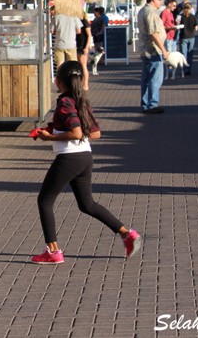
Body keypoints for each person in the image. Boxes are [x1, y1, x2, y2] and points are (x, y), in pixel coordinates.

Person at [30, 61, 142, 265]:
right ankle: (128, 234)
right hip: (84, 157)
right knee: (87, 204)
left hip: (69, 157)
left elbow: (76, 132)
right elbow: (95, 133)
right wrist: (54, 128)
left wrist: (50, 138)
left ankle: (53, 251)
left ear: (58, 81)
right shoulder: (80, 100)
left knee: (45, 201)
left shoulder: (64, 101)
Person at [137, 0, 169, 113]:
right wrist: (163, 50)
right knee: (155, 78)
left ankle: (146, 104)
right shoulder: (151, 12)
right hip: (153, 50)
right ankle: (152, 104)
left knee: (146, 78)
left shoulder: (142, 11)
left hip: (145, 49)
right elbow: (153, 33)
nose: (161, 2)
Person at [160, 0, 179, 79]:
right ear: (169, 5)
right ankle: (167, 74)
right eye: (174, 6)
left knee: (173, 57)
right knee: (168, 57)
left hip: (173, 37)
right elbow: (161, 26)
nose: (175, 7)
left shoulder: (171, 13)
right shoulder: (164, 13)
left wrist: (175, 24)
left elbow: (170, 24)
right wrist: (170, 28)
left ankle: (172, 74)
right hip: (167, 38)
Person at [178, 2, 198, 75]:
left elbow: (177, 24)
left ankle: (183, 69)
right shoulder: (193, 17)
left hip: (183, 37)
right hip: (191, 37)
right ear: (190, 9)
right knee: (190, 53)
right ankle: (188, 69)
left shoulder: (180, 16)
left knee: (183, 54)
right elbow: (196, 28)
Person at [76, 11, 92, 90]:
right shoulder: (77, 22)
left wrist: (87, 47)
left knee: (83, 65)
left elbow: (89, 35)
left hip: (82, 46)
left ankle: (85, 85)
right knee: (79, 66)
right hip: (78, 45)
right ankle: (82, 84)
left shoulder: (84, 22)